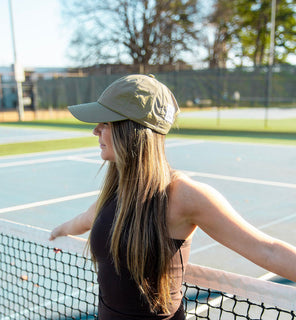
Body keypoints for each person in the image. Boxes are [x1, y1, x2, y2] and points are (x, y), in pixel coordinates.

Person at [49, 74, 296, 320]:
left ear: (131, 130)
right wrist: (58, 232)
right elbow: (84, 220)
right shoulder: (115, 192)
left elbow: (268, 251)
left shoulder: (182, 195)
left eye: (105, 123)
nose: (95, 131)